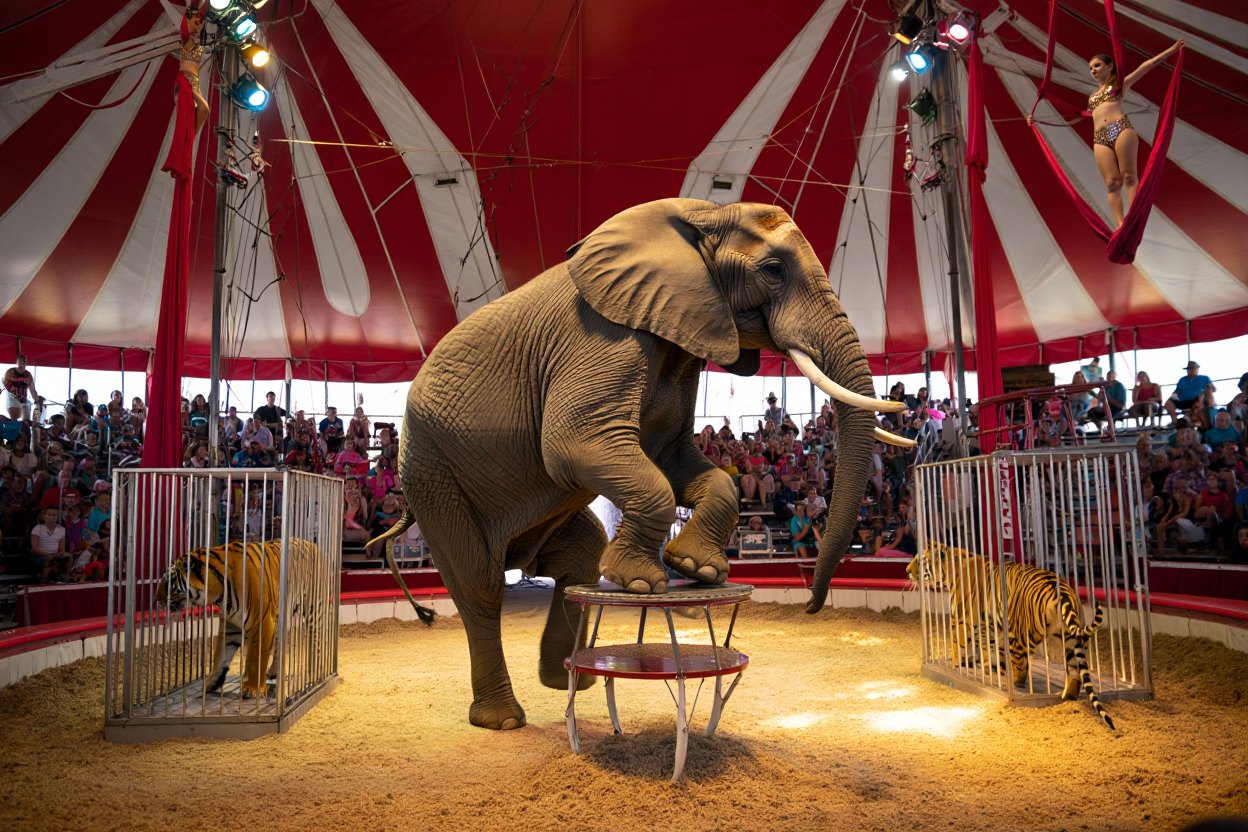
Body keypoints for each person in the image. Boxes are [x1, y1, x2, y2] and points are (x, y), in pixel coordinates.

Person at [1084, 42, 1184, 227]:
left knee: (1129, 176)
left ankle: (1132, 217)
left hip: (1120, 128)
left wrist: (1171, 50)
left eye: (1097, 65)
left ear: (1110, 66)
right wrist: (1034, 120)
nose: (1093, 70)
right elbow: (1082, 115)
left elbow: (1145, 67)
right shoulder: (1091, 98)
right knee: (1112, 183)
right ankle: (1121, 224)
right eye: (1090, 68)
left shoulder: (1118, 86)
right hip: (1100, 138)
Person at [176, 3, 210, 135]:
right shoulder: (186, 40)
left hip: (194, 84)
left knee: (203, 110)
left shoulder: (197, 44)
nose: (197, 27)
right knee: (204, 108)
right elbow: (185, 27)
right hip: (185, 82)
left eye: (199, 25)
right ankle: (187, 141)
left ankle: (188, 141)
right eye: (195, 23)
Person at [1165, 361, 1215, 430]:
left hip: (1198, 399)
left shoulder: (1205, 378)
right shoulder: (1182, 380)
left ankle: (1198, 416)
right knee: (1168, 402)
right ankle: (1174, 421)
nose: (1191, 370)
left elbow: (1213, 389)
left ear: (1197, 369)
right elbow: (1177, 391)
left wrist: (1205, 391)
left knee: (1202, 397)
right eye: (1189, 368)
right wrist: (1174, 395)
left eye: (1193, 368)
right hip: (1183, 400)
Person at [1195, 473, 1233, 554]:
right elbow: (1197, 512)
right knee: (1207, 509)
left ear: (1218, 482)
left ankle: (1209, 528)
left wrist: (1212, 510)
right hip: (1203, 517)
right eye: (1209, 479)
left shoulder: (1223, 495)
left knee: (1211, 510)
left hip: (1219, 518)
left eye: (1213, 479)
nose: (1211, 481)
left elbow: (1224, 511)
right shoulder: (1202, 494)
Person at [31, 506, 69, 583]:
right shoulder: (38, 528)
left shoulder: (62, 529)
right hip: (40, 556)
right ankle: (44, 582)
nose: (52, 517)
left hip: (55, 555)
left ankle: (68, 579)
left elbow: (61, 548)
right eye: (50, 515)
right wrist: (50, 554)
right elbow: (34, 549)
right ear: (45, 516)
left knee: (68, 556)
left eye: (54, 515)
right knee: (50, 559)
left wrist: (60, 554)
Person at [3, 353, 39, 422]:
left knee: (26, 419)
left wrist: (36, 399)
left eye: (23, 361)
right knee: (15, 418)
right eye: (19, 361)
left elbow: (32, 389)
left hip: (23, 399)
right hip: (13, 398)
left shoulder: (28, 375)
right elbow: (4, 383)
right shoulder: (10, 372)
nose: (21, 363)